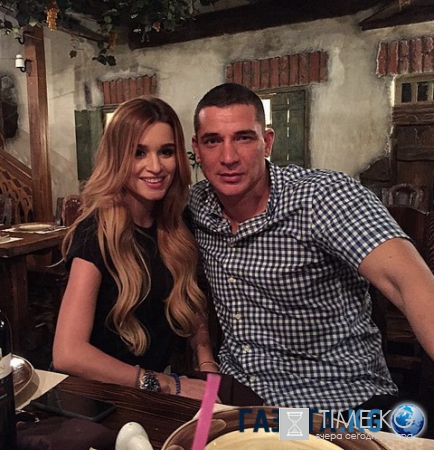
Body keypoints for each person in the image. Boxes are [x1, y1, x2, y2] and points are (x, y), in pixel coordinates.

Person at [189, 82, 434, 411]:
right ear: (197, 149)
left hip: (338, 402)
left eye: (243, 138)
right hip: (238, 399)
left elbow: (408, 283)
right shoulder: (197, 205)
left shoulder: (322, 197)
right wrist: (205, 360)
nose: (228, 157)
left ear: (267, 142)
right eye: (213, 141)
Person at [53, 96, 217, 400]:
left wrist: (206, 359)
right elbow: (67, 353)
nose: (155, 167)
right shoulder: (97, 231)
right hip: (99, 399)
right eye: (138, 153)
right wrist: (166, 384)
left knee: (257, 427)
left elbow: (191, 302)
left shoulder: (177, 222)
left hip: (154, 395)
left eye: (166, 152)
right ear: (117, 158)